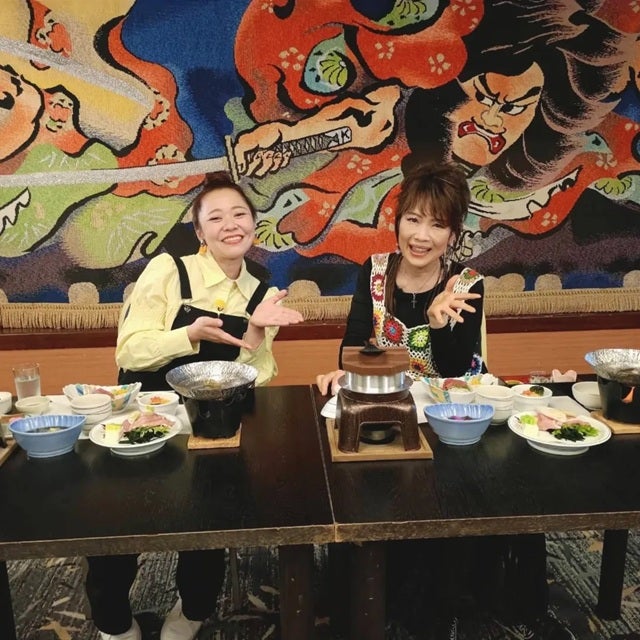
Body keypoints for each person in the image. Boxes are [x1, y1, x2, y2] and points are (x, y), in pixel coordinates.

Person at [316, 162, 573, 640]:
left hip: (455, 416)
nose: (421, 236)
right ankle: (375, 591)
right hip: (396, 408)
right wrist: (346, 370)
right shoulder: (373, 272)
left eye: (437, 225)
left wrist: (438, 325)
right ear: (397, 222)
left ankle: (448, 599)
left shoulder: (467, 284)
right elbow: (353, 345)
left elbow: (455, 368)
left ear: (453, 234)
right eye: (413, 219)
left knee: (454, 490)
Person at [84, 171, 304, 640]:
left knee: (209, 517)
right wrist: (188, 334)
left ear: (254, 224)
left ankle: (192, 610)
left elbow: (258, 375)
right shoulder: (169, 270)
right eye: (216, 218)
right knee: (116, 521)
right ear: (200, 231)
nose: (231, 225)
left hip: (213, 424)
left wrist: (256, 334)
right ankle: (113, 623)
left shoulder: (263, 290)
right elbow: (129, 351)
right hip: (145, 417)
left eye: (239, 214)